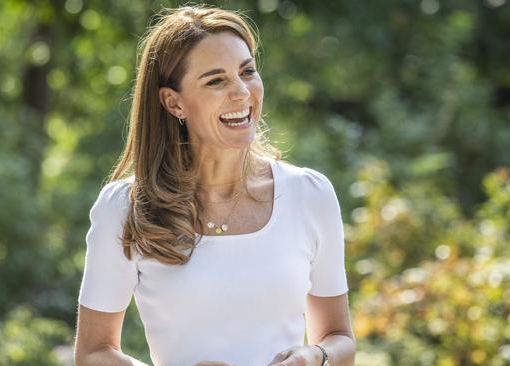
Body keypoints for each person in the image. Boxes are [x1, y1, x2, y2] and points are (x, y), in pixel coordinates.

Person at [74, 5, 355, 366]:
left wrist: (313, 355)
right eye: (216, 80)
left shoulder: (310, 195)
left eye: (247, 71)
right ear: (173, 102)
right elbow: (93, 353)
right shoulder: (125, 208)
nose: (241, 92)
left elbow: (340, 339)